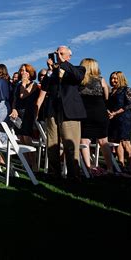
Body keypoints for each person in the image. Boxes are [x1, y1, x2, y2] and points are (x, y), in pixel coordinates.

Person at [35, 45, 86, 180]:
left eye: (62, 53)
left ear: (69, 56)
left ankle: (73, 175)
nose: (58, 55)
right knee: (52, 144)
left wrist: (63, 63)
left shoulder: (78, 69)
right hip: (53, 111)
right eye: (57, 53)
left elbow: (78, 77)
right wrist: (50, 71)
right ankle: (54, 173)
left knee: (70, 146)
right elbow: (45, 86)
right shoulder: (52, 73)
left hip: (70, 112)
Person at [78, 58, 114, 175]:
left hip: (84, 113)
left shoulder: (80, 80)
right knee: (104, 141)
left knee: (85, 140)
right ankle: (110, 168)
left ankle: (88, 169)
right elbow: (106, 97)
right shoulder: (101, 80)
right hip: (100, 112)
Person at [9, 63, 40, 171]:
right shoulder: (18, 85)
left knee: (27, 138)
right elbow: (15, 99)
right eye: (21, 70)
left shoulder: (33, 84)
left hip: (28, 114)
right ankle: (27, 164)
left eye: (25, 70)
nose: (23, 73)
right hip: (18, 113)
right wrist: (13, 109)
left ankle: (34, 164)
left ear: (30, 73)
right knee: (21, 138)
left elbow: (23, 96)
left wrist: (24, 82)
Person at [107, 71, 131, 173]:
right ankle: (121, 165)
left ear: (120, 79)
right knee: (117, 143)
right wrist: (109, 112)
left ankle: (130, 165)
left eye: (115, 78)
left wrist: (115, 113)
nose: (112, 80)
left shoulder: (126, 89)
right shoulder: (111, 91)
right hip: (113, 119)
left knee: (125, 141)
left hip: (124, 118)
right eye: (111, 78)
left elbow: (129, 104)